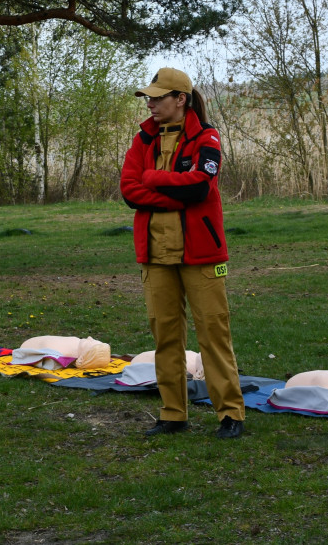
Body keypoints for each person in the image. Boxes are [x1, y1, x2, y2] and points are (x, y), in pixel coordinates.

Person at [120, 67, 246, 439]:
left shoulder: (207, 137)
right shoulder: (142, 140)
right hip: (156, 254)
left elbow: (199, 189)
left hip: (202, 255)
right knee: (165, 336)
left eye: (159, 97)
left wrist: (154, 178)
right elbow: (129, 192)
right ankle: (172, 414)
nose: (151, 103)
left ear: (181, 100)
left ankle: (231, 414)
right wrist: (169, 186)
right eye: (149, 97)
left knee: (213, 333)